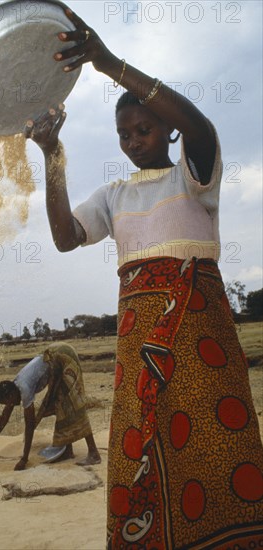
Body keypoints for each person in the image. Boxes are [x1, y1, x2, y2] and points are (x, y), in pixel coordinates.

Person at [23, 7, 263, 549]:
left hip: (200, 338)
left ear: (168, 130)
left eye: (144, 128)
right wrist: (52, 154)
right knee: (141, 446)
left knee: (213, 440)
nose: (133, 141)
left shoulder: (195, 174)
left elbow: (200, 124)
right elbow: (64, 235)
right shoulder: (114, 195)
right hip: (139, 341)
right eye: (124, 134)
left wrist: (107, 63)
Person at [0, 343, 101, 471]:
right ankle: (67, 450)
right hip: (54, 359)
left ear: (11, 395)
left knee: (74, 404)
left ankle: (94, 453)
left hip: (64, 356)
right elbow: (3, 418)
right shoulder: (14, 386)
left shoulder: (24, 388)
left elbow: (30, 425)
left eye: (8, 402)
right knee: (60, 404)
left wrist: (24, 459)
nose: (10, 405)